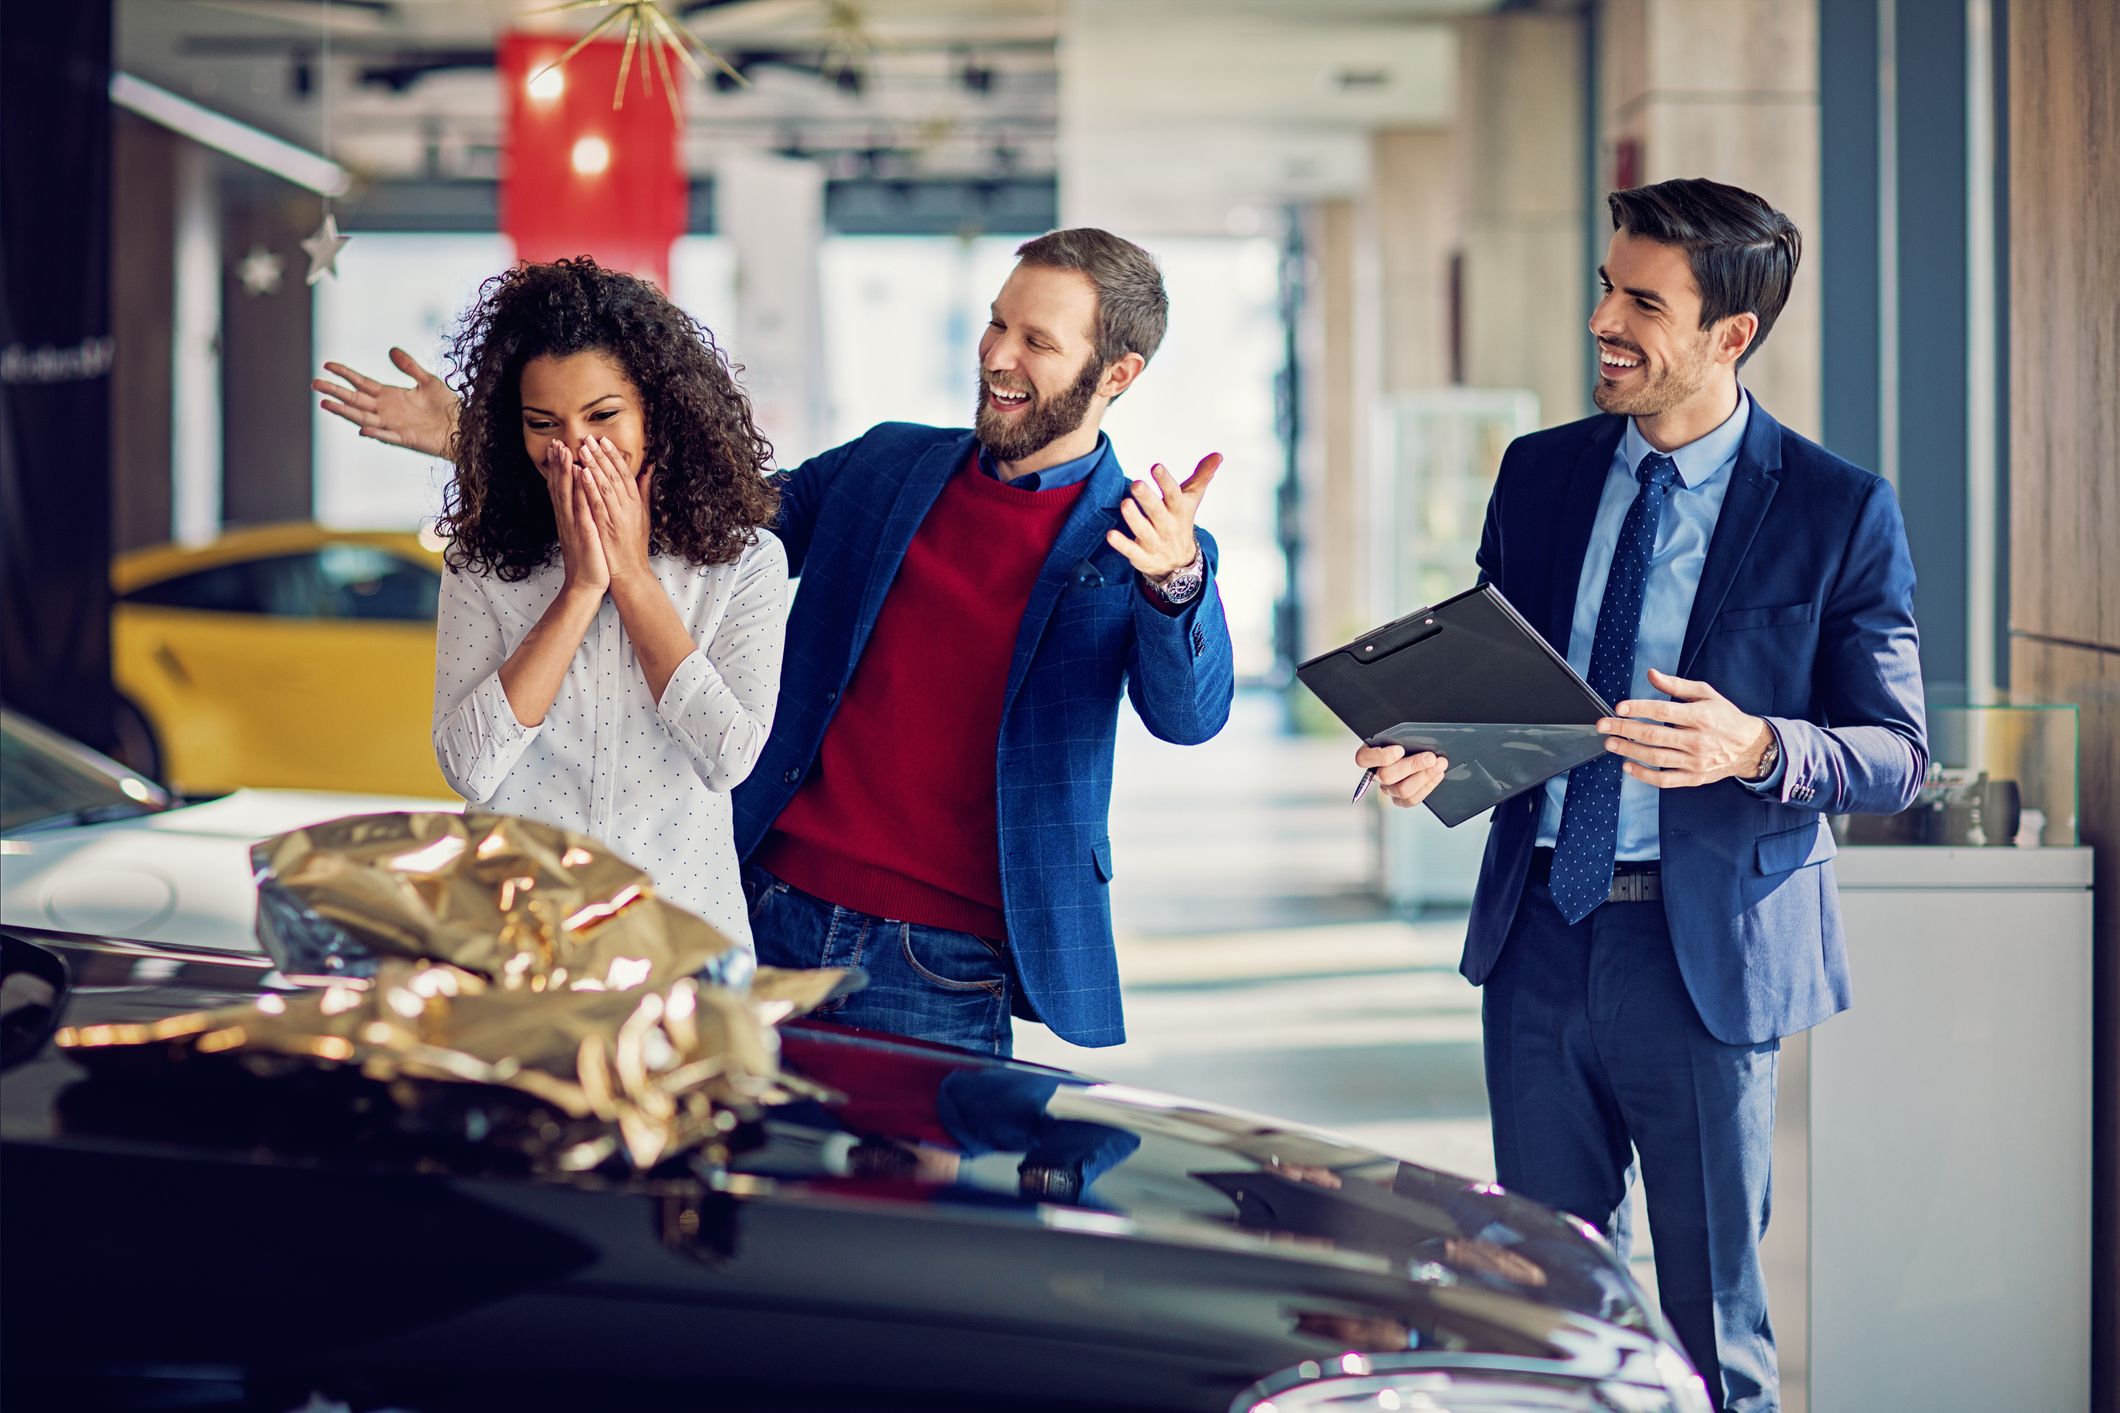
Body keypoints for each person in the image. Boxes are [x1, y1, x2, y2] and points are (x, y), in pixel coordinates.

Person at [315, 228, 1235, 1057]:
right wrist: (492, 441)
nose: (997, 354)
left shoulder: (1145, 540)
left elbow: (1189, 717)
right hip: (768, 906)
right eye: (997, 324)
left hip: (945, 962)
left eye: (1037, 341)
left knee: (893, 1232)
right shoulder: (888, 466)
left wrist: (1176, 578)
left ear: (1117, 373)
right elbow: (706, 507)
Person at [1356, 178, 1926, 1413]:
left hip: (1703, 955)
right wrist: (1431, 751)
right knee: (1546, 1305)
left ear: (1731, 335)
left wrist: (1754, 746)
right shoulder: (1541, 475)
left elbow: (1894, 752)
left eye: (1641, 302)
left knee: (1710, 1322)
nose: (1604, 319)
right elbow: (1502, 698)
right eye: (1607, 287)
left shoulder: (1835, 509)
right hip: (1539, 940)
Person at [362, 257, 786, 949]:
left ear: (660, 409)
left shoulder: (743, 562)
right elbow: (469, 766)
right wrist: (581, 589)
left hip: (679, 951)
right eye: (542, 423)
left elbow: (728, 756)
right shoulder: (481, 561)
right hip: (514, 946)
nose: (574, 448)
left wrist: (634, 580)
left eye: (603, 415)